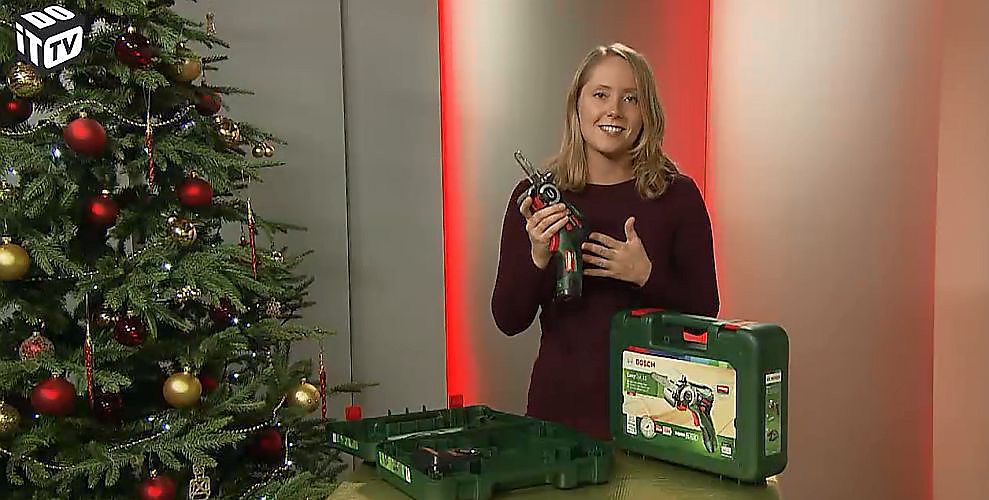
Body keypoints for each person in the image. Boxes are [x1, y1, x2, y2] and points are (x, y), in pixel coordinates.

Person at [490, 42, 719, 440]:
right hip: (558, 420)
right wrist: (538, 256)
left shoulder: (678, 197)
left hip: (658, 421)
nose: (614, 110)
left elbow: (706, 310)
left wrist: (646, 276)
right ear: (577, 106)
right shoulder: (535, 200)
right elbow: (508, 320)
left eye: (630, 98)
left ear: (647, 113)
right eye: (600, 95)